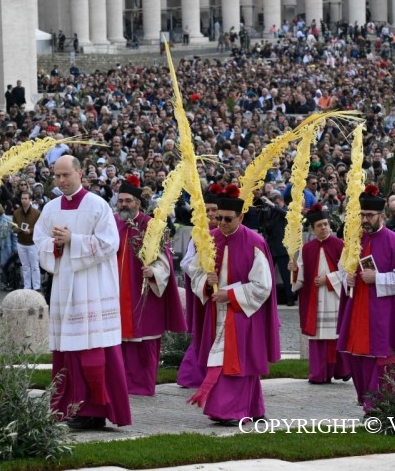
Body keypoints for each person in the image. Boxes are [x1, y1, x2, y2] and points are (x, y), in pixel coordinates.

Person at [34, 155, 131, 430]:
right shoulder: (51, 208)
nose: (62, 180)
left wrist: (72, 241)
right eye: (57, 176)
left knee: (93, 349)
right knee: (68, 350)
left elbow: (109, 243)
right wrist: (54, 245)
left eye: (66, 175)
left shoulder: (97, 205)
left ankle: (95, 409)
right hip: (65, 287)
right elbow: (39, 240)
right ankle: (68, 407)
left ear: (79, 174)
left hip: (93, 286)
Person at [185, 184, 280, 425]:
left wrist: (230, 295)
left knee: (236, 360)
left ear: (241, 217)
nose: (222, 223)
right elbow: (193, 272)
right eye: (218, 218)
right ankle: (253, 408)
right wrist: (206, 282)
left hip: (242, 312)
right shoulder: (209, 240)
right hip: (216, 311)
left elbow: (263, 286)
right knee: (227, 358)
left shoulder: (254, 242)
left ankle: (229, 410)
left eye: (228, 219)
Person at [337, 186, 395, 409]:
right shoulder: (354, 241)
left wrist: (378, 278)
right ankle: (365, 398)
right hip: (357, 308)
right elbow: (342, 268)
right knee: (357, 356)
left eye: (369, 215)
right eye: (362, 215)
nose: (365, 219)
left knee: (380, 358)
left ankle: (379, 404)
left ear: (382, 216)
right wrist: (347, 279)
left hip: (383, 310)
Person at [114, 175, 186, 396]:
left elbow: (165, 261)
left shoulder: (150, 225)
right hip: (116, 291)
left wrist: (153, 271)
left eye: (128, 200)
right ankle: (120, 382)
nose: (124, 204)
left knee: (142, 340)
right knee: (120, 340)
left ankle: (141, 386)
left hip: (143, 291)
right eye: (121, 200)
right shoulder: (113, 223)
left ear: (138, 202)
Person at [288, 204, 351, 384]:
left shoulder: (341, 245)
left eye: (325, 224)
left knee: (336, 334)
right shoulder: (307, 249)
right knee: (318, 337)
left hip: (335, 297)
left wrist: (329, 280)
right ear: (313, 229)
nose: (323, 227)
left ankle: (342, 370)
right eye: (319, 225)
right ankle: (319, 374)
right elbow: (300, 276)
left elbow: (348, 272)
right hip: (315, 299)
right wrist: (294, 270)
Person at [177, 185, 222, 389]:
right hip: (204, 293)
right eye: (208, 210)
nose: (211, 214)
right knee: (204, 334)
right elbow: (186, 264)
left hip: (226, 293)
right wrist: (205, 276)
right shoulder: (198, 235)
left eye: (215, 210)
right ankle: (196, 373)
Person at [13, 191, 41, 291]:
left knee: (34, 266)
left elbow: (40, 227)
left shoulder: (37, 213)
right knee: (25, 266)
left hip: (33, 242)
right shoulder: (16, 212)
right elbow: (13, 226)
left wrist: (30, 230)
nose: (24, 200)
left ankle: (37, 287)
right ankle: (27, 286)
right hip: (21, 242)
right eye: (22, 198)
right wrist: (18, 229)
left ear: (30, 200)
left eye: (26, 198)